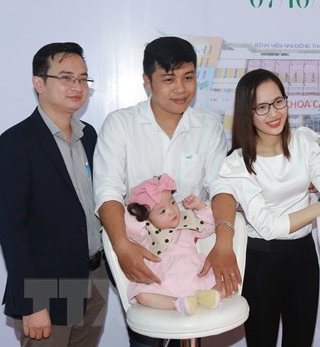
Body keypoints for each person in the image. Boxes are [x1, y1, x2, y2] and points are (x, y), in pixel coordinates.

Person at [93, 36, 239, 347]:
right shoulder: (120, 125)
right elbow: (107, 191)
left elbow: (222, 187)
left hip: (189, 252)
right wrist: (121, 246)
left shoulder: (208, 126)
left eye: (188, 78)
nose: (181, 89)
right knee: (150, 336)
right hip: (138, 249)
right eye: (168, 79)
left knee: (197, 321)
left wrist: (224, 242)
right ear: (147, 81)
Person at [219, 68, 320, 347]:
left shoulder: (305, 142)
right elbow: (267, 226)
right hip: (260, 260)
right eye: (261, 107)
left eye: (278, 102)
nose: (273, 113)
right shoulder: (237, 163)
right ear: (246, 113)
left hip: (303, 256)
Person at [0, 42, 108, 346]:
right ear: (39, 83)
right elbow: (11, 229)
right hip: (48, 283)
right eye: (66, 77)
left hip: (95, 276)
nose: (77, 86)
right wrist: (32, 303)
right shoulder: (14, 144)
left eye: (83, 79)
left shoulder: (90, 136)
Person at [125, 173, 221, 315]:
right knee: (141, 295)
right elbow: (127, 226)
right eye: (162, 211)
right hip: (164, 278)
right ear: (147, 218)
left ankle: (202, 297)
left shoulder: (187, 222)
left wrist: (200, 207)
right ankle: (178, 303)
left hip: (192, 273)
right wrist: (131, 208)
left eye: (172, 202)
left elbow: (209, 227)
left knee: (225, 281)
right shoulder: (146, 233)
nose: (171, 211)